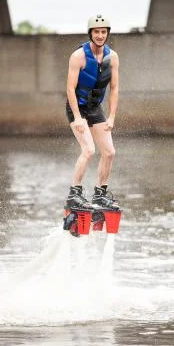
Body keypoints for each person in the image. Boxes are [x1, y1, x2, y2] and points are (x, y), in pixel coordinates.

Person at [65, 14, 119, 209]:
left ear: (107, 34)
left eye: (103, 32)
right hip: (77, 108)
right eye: (96, 32)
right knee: (88, 150)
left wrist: (111, 117)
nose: (100, 35)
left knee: (109, 152)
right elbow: (70, 89)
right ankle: (74, 194)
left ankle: (100, 194)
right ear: (90, 33)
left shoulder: (112, 57)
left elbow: (114, 89)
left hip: (95, 108)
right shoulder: (78, 56)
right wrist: (78, 118)